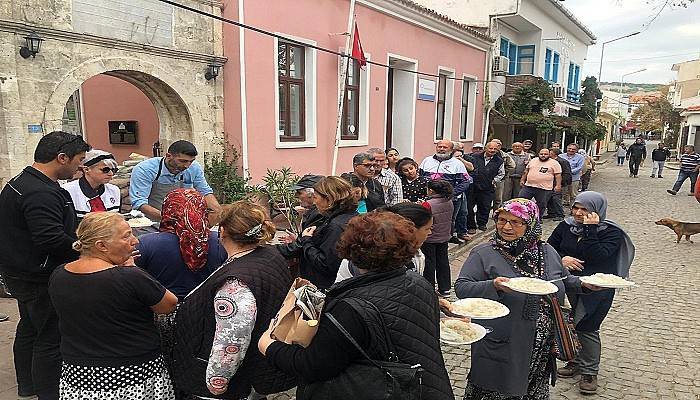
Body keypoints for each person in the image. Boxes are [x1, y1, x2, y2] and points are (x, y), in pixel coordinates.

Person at [259, 212, 455, 400]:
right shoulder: (418, 282)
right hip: (429, 385)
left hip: (391, 390)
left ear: (352, 250)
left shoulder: (351, 307)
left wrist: (268, 345)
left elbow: (314, 365)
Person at [455, 198, 597, 399]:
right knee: (496, 388)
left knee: (531, 388)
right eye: (501, 220)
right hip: (502, 339)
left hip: (540, 343)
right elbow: (462, 288)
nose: (506, 227)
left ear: (530, 224)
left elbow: (562, 279)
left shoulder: (545, 250)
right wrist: (494, 285)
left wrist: (584, 284)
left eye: (516, 222)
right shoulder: (484, 253)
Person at [171, 201, 295, 399]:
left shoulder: (235, 284)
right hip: (257, 363)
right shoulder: (269, 255)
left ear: (222, 231)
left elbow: (233, 339)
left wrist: (216, 381)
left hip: (232, 380)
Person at [0, 131, 90, 400]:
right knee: (50, 337)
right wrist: (86, 248)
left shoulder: (21, 181)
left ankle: (27, 385)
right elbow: (49, 238)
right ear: (62, 158)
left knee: (29, 327)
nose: (81, 166)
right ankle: (48, 392)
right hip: (40, 275)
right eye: (80, 160)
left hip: (21, 271)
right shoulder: (41, 192)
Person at [48, 212, 178, 399]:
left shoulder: (60, 274)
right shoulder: (129, 277)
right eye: (126, 236)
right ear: (101, 246)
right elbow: (169, 304)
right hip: (132, 374)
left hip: (78, 375)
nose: (135, 241)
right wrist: (133, 269)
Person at [548, 192, 632, 394]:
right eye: (576, 207)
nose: (577, 213)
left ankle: (589, 372)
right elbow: (549, 249)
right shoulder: (566, 226)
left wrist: (590, 229)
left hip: (598, 287)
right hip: (570, 283)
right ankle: (576, 360)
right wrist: (563, 260)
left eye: (584, 209)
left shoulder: (611, 232)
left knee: (588, 325)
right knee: (571, 321)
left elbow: (599, 256)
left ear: (597, 210)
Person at [135, 189, 228, 300]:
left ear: (167, 210)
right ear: (202, 210)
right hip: (208, 309)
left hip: (160, 310)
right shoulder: (221, 241)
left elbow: (133, 282)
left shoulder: (145, 244)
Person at [282, 177, 358, 290]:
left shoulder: (336, 226)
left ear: (329, 199)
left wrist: (306, 240)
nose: (315, 202)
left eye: (316, 197)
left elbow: (326, 264)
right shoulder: (347, 216)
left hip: (324, 286)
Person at [335, 202, 433, 282]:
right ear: (410, 229)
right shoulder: (358, 261)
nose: (430, 232)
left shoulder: (417, 254)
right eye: (427, 228)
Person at [129, 140, 222, 222]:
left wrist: (218, 212)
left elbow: (205, 192)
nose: (187, 166)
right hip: (151, 222)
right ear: (168, 156)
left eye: (191, 161)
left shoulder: (194, 168)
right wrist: (169, 219)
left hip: (181, 220)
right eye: (183, 161)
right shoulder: (145, 169)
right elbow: (139, 203)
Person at [419, 140, 470, 242]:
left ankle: (446, 240)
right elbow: (420, 177)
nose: (441, 149)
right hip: (429, 199)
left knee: (448, 221)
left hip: (449, 200)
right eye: (439, 146)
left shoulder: (457, 164)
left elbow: (465, 182)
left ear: (451, 150)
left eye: (445, 147)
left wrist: (451, 193)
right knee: (429, 220)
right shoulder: (427, 161)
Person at [62, 150, 121, 221]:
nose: (111, 173)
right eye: (105, 170)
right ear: (86, 169)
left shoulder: (114, 190)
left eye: (114, 170)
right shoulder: (67, 191)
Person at [421, 179, 454, 297]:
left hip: (430, 238)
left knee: (429, 263)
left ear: (430, 190)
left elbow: (423, 219)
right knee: (443, 261)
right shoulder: (449, 201)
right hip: (444, 236)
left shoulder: (428, 204)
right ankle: (445, 288)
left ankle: (429, 288)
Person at [468, 142, 505, 232]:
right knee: (469, 206)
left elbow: (501, 173)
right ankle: (471, 226)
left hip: (487, 187)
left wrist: (494, 180)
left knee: (485, 206)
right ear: (485, 148)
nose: (492, 151)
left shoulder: (499, 160)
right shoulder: (474, 157)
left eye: (495, 149)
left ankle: (482, 223)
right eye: (490, 148)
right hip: (473, 186)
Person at [518, 148, 562, 217]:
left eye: (545, 154)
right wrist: (522, 180)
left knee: (541, 205)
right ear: (538, 154)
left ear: (549, 155)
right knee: (521, 201)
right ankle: (521, 216)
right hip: (529, 186)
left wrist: (558, 185)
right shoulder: (533, 160)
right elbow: (526, 171)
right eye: (541, 154)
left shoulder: (554, 163)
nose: (543, 155)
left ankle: (538, 218)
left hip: (544, 188)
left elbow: (558, 175)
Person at [544, 149, 571, 222]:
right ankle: (551, 213)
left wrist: (561, 183)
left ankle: (560, 214)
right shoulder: (548, 161)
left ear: (553, 153)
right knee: (549, 199)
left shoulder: (563, 161)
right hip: (549, 183)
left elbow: (566, 173)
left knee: (556, 199)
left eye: (549, 152)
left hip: (558, 184)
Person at [491, 139, 516, 210]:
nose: (496, 146)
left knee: (498, 198)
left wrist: (504, 171)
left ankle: (496, 212)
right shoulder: (486, 153)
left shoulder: (504, 155)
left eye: (498, 144)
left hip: (500, 180)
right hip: (487, 179)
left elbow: (512, 165)